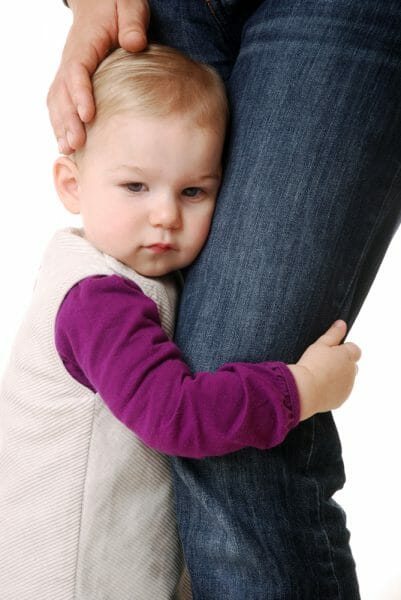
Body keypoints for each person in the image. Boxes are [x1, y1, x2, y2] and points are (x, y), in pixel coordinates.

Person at [48, 3, 401, 600]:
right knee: (227, 412)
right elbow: (177, 416)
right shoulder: (96, 301)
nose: (165, 214)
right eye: (136, 186)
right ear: (70, 185)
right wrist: (302, 389)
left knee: (236, 409)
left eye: (193, 191)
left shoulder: (125, 278)